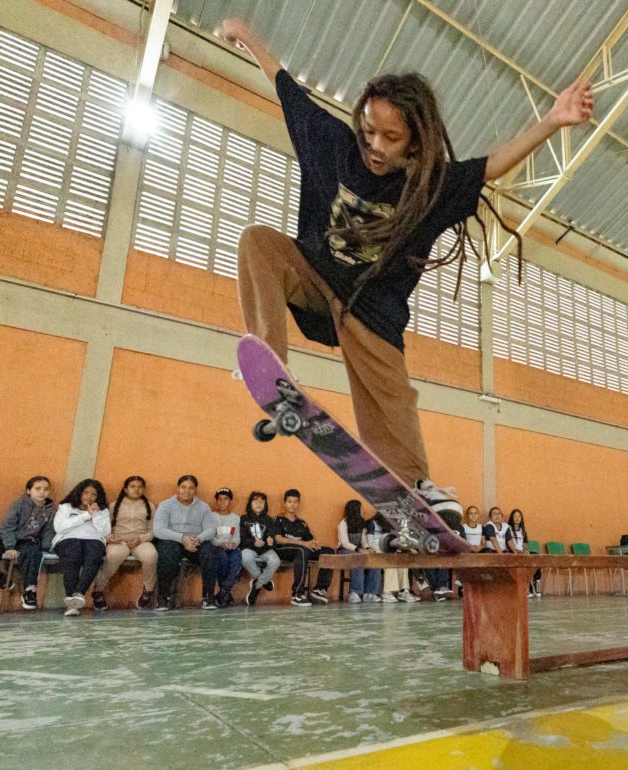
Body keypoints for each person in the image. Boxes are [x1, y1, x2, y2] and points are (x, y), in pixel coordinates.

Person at [215, 18, 592, 533]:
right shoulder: (332, 143)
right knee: (258, 241)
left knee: (391, 400)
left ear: (414, 141)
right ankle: (272, 367)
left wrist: (553, 120)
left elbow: (490, 167)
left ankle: (416, 488)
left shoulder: (432, 186)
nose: (375, 144)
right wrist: (247, 35)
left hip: (372, 307)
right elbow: (286, 85)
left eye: (391, 137)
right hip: (313, 276)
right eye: (369, 129)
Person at [0, 476, 54, 612]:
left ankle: (30, 590)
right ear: (29, 491)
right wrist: (9, 546)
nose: (42, 492)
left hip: (27, 541)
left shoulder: (50, 511)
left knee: (34, 554)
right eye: (38, 489)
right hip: (3, 538)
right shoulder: (18, 505)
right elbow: (8, 526)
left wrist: (47, 547)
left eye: (46, 489)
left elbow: (48, 530)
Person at [152, 475, 219, 611]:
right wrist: (182, 538)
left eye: (191, 488)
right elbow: (159, 530)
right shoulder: (166, 505)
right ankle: (163, 598)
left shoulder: (203, 507)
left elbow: (211, 530)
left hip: (195, 542)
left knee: (210, 553)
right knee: (166, 555)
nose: (186, 491)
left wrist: (198, 539)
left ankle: (208, 597)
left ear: (195, 490)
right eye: (183, 487)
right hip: (173, 541)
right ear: (177, 488)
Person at [94, 475, 158, 611]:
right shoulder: (113, 506)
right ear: (125, 489)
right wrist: (110, 537)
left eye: (140, 487)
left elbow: (154, 530)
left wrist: (141, 539)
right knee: (114, 556)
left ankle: (148, 590)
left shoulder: (150, 507)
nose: (136, 489)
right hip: (118, 540)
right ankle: (98, 590)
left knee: (151, 555)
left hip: (140, 541)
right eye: (133, 487)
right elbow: (104, 527)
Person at [51, 479, 111, 617]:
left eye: (94, 494)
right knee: (73, 556)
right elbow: (59, 527)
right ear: (79, 493)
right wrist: (85, 516)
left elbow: (105, 532)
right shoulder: (66, 507)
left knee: (94, 558)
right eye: (86, 493)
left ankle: (78, 595)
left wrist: (95, 515)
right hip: (68, 540)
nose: (89, 497)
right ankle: (72, 599)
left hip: (94, 540)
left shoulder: (103, 510)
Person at [272, 488, 334, 606]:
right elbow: (278, 539)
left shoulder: (301, 523)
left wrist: (315, 544)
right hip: (282, 550)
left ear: (299, 504)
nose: (292, 504)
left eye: (295, 502)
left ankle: (319, 590)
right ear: (284, 503)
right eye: (290, 501)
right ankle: (297, 594)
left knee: (328, 551)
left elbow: (309, 540)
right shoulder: (278, 520)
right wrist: (303, 544)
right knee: (302, 550)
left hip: (301, 551)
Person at [238, 491, 281, 607]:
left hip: (265, 550)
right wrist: (253, 542)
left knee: (276, 561)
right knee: (244, 557)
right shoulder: (243, 519)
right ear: (250, 503)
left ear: (265, 504)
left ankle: (257, 586)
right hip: (249, 548)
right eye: (255, 501)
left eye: (262, 502)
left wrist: (270, 541)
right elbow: (241, 538)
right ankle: (263, 580)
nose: (258, 504)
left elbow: (272, 536)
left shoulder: (269, 520)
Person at [338, 499, 380, 603]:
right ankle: (355, 593)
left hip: (359, 549)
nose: (362, 511)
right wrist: (358, 549)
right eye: (360, 509)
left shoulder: (362, 523)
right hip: (344, 550)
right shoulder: (343, 524)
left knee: (375, 559)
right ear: (355, 510)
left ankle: (370, 593)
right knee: (358, 558)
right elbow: (345, 543)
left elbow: (363, 540)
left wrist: (367, 548)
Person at [212, 488, 243, 607]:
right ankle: (226, 593)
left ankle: (224, 591)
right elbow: (210, 537)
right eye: (219, 499)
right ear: (216, 501)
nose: (223, 502)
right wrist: (221, 543)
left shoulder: (236, 518)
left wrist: (234, 543)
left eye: (226, 499)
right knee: (222, 558)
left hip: (231, 548)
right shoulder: (211, 516)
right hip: (218, 547)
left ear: (230, 501)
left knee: (237, 558)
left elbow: (236, 537)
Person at [506, 508, 540, 597]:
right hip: (513, 552)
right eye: (515, 516)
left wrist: (526, 552)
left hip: (522, 553)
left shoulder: (523, 531)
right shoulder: (507, 529)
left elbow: (525, 544)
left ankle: (536, 585)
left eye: (519, 516)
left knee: (536, 557)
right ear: (511, 517)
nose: (517, 518)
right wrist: (518, 552)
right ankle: (526, 587)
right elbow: (508, 542)